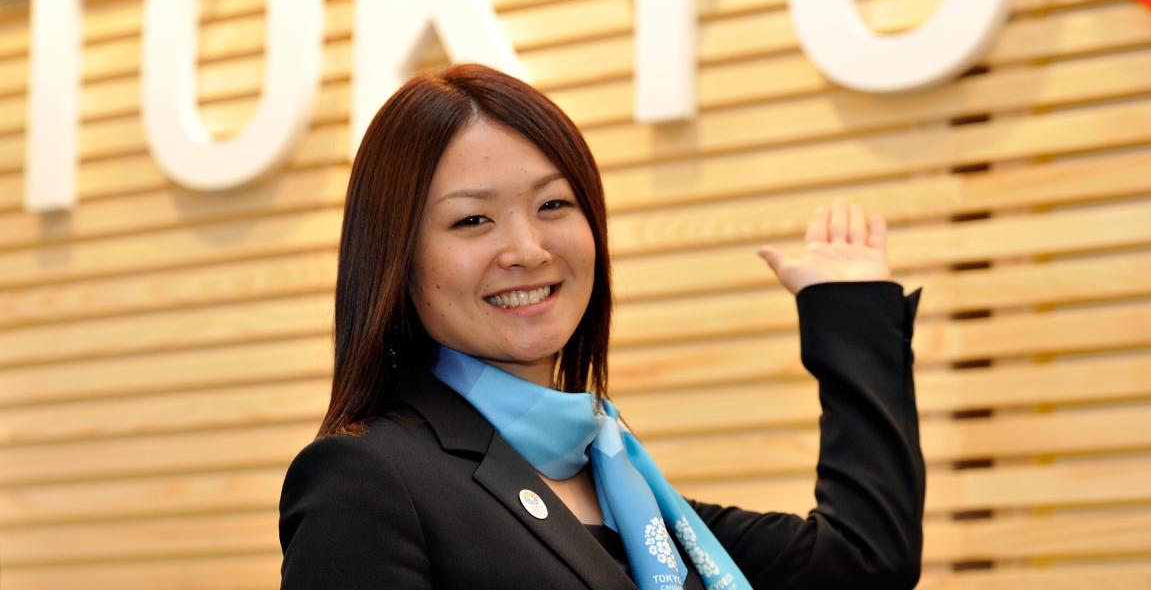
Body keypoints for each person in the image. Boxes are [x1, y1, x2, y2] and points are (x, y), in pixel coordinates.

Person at [278, 63, 925, 589]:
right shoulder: (367, 481)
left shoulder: (616, 478)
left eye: (554, 205)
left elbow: (863, 563)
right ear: (397, 257)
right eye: (472, 221)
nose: (528, 248)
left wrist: (853, 316)